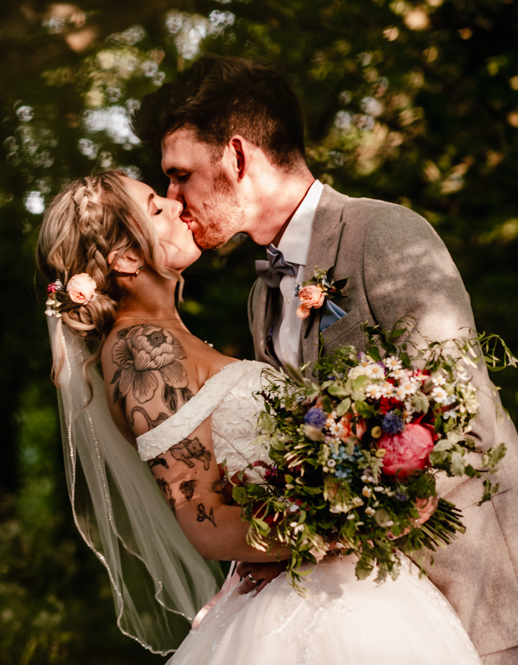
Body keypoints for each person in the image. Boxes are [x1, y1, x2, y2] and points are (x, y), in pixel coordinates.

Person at [131, 54, 518, 664]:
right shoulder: (263, 294)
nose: (174, 199)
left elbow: (465, 421)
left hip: (469, 594)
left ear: (236, 157)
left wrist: (330, 532)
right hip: (355, 607)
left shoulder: (385, 235)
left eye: (180, 175)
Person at [36, 170, 482, 663]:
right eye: (156, 207)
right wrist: (351, 528)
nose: (175, 204)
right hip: (313, 606)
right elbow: (203, 520)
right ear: (125, 257)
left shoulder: (170, 337)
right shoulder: (143, 349)